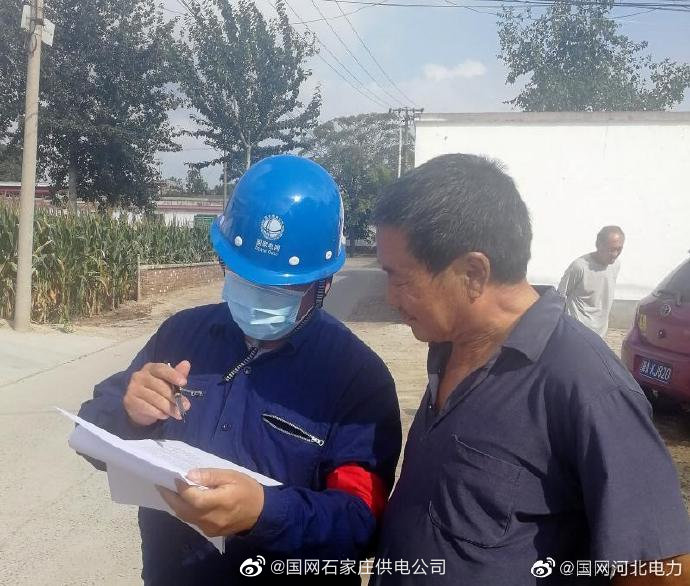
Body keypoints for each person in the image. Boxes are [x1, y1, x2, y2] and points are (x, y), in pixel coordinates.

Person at [78, 155, 402, 585]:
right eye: (243, 276)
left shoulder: (357, 378)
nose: (255, 296)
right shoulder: (181, 334)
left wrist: (266, 513)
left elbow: (360, 521)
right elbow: (91, 432)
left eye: (279, 287)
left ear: (322, 284)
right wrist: (127, 413)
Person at [371, 154, 689, 585]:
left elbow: (661, 572)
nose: (390, 297)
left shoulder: (587, 387)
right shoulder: (448, 348)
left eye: (401, 279)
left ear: (473, 273)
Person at [558, 226, 625, 337]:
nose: (615, 254)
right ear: (599, 244)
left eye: (619, 249)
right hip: (577, 332)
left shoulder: (615, 265)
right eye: (611, 249)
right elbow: (560, 295)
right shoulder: (579, 267)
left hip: (600, 334)